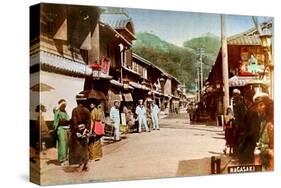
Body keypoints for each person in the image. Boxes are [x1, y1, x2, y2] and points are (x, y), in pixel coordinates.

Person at [69, 94, 91, 172]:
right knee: (84, 148)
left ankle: (80, 164)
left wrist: (77, 131)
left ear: (77, 101)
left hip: (77, 132)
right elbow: (88, 122)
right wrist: (86, 131)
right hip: (85, 131)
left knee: (78, 149)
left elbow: (74, 122)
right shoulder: (87, 110)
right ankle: (85, 165)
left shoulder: (75, 110)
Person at [254, 92, 274, 170]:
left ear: (268, 106)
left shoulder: (271, 124)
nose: (258, 108)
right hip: (262, 160)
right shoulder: (262, 122)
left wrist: (264, 150)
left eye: (261, 105)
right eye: (257, 105)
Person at [53, 99, 70, 166]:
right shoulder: (57, 111)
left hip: (66, 129)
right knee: (62, 144)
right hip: (60, 129)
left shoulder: (65, 112)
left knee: (66, 144)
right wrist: (60, 104)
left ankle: (65, 158)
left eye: (65, 105)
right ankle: (61, 160)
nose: (64, 106)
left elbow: (68, 119)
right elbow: (55, 110)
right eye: (63, 105)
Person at [231, 89, 247, 157]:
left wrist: (238, 123)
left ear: (238, 94)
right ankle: (237, 153)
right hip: (238, 123)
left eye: (235, 94)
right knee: (236, 139)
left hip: (241, 124)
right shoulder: (236, 102)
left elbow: (242, 115)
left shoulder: (240, 103)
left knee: (238, 139)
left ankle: (238, 153)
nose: (234, 96)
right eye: (234, 94)